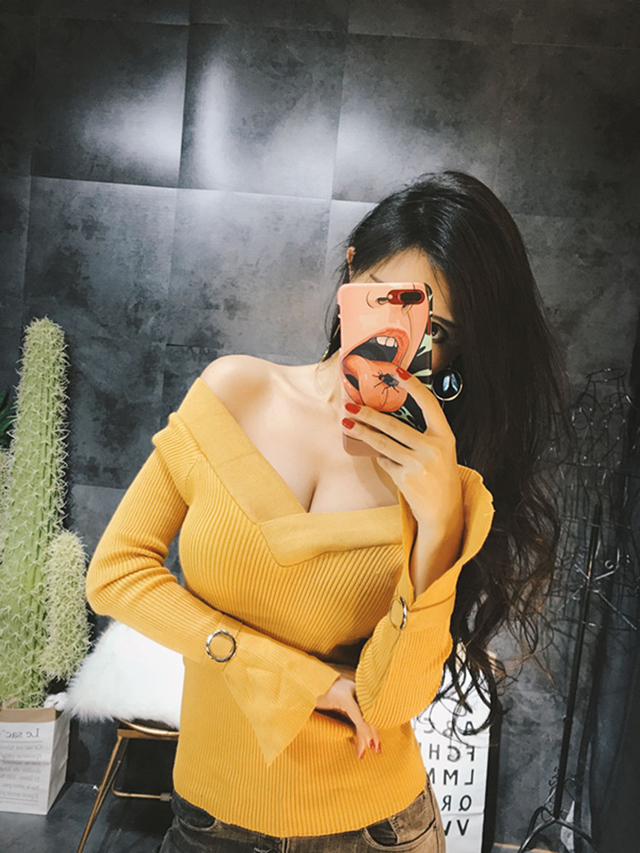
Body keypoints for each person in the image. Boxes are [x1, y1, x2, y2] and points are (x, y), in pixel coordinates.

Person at [85, 171, 568, 852]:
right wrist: (288, 675)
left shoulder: (446, 478)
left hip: (371, 829)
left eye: (435, 328)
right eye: (386, 298)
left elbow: (391, 703)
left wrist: (438, 520)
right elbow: (116, 573)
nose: (395, 338)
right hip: (209, 817)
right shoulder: (235, 392)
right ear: (350, 272)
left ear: (459, 347)